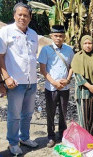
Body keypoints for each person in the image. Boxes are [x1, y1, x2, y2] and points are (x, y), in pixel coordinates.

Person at [0, 2, 39, 156]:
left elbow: (32, 56)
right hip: (15, 82)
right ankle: (13, 142)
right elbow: (0, 56)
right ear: (15, 15)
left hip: (32, 81)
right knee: (14, 115)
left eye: (26, 15)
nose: (22, 18)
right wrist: (6, 77)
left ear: (30, 17)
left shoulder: (33, 34)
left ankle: (24, 138)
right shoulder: (6, 32)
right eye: (20, 15)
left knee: (28, 114)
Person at [38, 25, 74, 148]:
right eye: (56, 36)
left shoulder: (69, 50)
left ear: (64, 37)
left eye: (61, 36)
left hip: (65, 87)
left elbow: (71, 67)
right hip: (51, 87)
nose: (58, 38)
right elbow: (43, 70)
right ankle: (51, 136)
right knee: (50, 112)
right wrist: (54, 82)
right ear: (51, 36)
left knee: (64, 113)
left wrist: (68, 80)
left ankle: (62, 134)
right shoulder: (45, 50)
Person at [71, 35, 93, 140]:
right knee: (83, 114)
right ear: (81, 44)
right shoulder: (77, 56)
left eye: (89, 43)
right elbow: (77, 75)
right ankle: (84, 134)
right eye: (85, 43)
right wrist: (89, 86)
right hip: (83, 90)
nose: (88, 46)